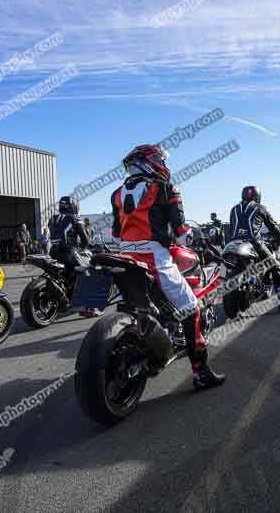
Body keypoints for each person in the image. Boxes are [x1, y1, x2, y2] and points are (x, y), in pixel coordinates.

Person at [111, 144, 225, 391]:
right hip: (155, 259)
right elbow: (183, 234)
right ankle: (200, 373)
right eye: (157, 158)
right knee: (191, 310)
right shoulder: (166, 188)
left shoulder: (117, 193)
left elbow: (116, 233)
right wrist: (193, 240)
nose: (161, 163)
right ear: (146, 161)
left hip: (125, 256)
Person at [228, 186, 280, 312]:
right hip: (253, 242)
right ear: (257, 196)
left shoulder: (234, 209)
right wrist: (279, 239)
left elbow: (232, 227)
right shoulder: (260, 208)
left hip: (233, 243)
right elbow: (273, 226)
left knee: (230, 266)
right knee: (276, 267)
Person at [47, 196, 99, 317]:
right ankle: (89, 308)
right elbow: (85, 239)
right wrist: (83, 246)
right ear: (73, 205)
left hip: (53, 252)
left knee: (63, 275)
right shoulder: (75, 218)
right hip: (68, 252)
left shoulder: (53, 218)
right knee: (88, 274)